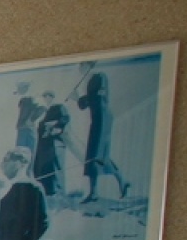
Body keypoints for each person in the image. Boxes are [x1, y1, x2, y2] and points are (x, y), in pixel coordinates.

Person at [76, 70, 130, 202]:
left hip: (103, 120)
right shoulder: (89, 81)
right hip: (97, 120)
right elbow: (84, 105)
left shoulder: (99, 77)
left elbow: (100, 97)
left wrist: (84, 98)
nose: (80, 68)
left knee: (96, 156)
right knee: (97, 156)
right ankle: (120, 182)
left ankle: (95, 192)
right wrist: (77, 98)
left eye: (82, 65)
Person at [0, 148, 48, 240]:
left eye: (6, 160)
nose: (2, 164)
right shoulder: (4, 188)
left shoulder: (34, 188)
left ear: (20, 163)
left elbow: (43, 222)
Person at [32, 92, 72, 198]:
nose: (46, 98)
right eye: (44, 96)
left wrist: (55, 125)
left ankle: (59, 192)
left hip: (55, 143)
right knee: (42, 167)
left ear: (52, 97)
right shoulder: (44, 110)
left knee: (56, 167)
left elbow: (66, 118)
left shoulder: (59, 107)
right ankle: (47, 191)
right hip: (43, 146)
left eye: (48, 96)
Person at [13, 81, 43, 150]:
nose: (19, 90)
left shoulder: (33, 98)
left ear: (25, 88)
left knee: (28, 150)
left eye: (20, 88)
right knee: (19, 150)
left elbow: (42, 108)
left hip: (28, 128)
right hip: (22, 128)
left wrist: (31, 120)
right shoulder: (23, 99)